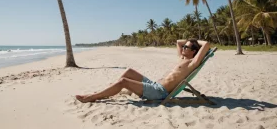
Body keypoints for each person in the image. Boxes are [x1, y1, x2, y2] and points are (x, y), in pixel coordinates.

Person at [76, 39, 210, 103]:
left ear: (193, 51)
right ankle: (108, 90)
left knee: (123, 81)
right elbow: (178, 42)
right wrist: (189, 42)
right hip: (155, 84)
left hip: (160, 92)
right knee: (129, 71)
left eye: (187, 47)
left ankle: (93, 97)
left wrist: (195, 42)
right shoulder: (182, 57)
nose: (183, 48)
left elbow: (206, 44)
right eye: (184, 46)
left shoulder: (192, 62)